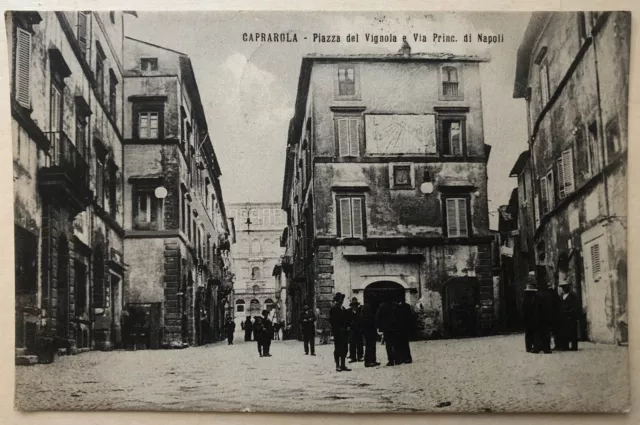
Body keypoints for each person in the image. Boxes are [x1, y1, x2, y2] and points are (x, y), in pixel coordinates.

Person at [534, 274, 557, 354]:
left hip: (539, 317)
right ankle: (546, 348)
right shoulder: (548, 295)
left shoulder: (537, 295)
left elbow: (536, 308)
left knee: (538, 333)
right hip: (546, 317)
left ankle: (537, 348)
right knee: (546, 333)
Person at [329, 292, 351, 372]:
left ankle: (343, 365)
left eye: (342, 299)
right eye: (340, 299)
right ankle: (337, 365)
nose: (341, 301)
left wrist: (348, 326)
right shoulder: (333, 309)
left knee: (345, 349)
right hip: (338, 333)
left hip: (344, 332)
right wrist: (337, 329)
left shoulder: (343, 309)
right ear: (337, 300)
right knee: (338, 349)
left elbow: (347, 319)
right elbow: (332, 321)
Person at [392, 294, 414, 364]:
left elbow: (409, 317)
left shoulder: (405, 306)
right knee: (399, 344)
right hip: (398, 328)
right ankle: (400, 358)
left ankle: (405, 358)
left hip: (402, 327)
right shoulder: (397, 306)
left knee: (403, 343)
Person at [558, 282, 579, 351]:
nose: (564, 289)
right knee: (564, 331)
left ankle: (574, 346)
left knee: (572, 331)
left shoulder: (573, 296)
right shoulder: (561, 296)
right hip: (563, 317)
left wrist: (571, 311)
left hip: (571, 316)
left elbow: (575, 305)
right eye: (563, 287)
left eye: (565, 287)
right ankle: (565, 346)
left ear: (568, 287)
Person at [376, 298, 396, 366]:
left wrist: (379, 327)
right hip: (394, 327)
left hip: (386, 328)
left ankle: (391, 360)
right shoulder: (394, 305)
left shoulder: (382, 306)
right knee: (395, 343)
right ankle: (397, 359)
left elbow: (377, 317)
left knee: (388, 344)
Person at [361, 299, 380, 367]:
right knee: (369, 346)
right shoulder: (367, 308)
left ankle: (373, 360)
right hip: (369, 330)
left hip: (370, 330)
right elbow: (368, 320)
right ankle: (368, 362)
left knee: (372, 345)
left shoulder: (367, 307)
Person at [522, 272, 538, 353]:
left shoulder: (527, 297)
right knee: (530, 332)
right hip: (529, 316)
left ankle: (531, 346)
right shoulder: (530, 297)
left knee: (530, 332)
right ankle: (530, 346)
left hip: (530, 316)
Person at [347, 297, 364, 363]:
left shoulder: (360, 311)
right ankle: (353, 357)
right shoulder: (348, 311)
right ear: (351, 306)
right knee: (352, 344)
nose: (355, 306)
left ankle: (360, 356)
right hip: (352, 330)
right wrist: (348, 326)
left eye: (356, 305)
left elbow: (362, 320)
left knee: (360, 343)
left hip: (359, 330)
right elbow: (346, 320)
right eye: (353, 305)